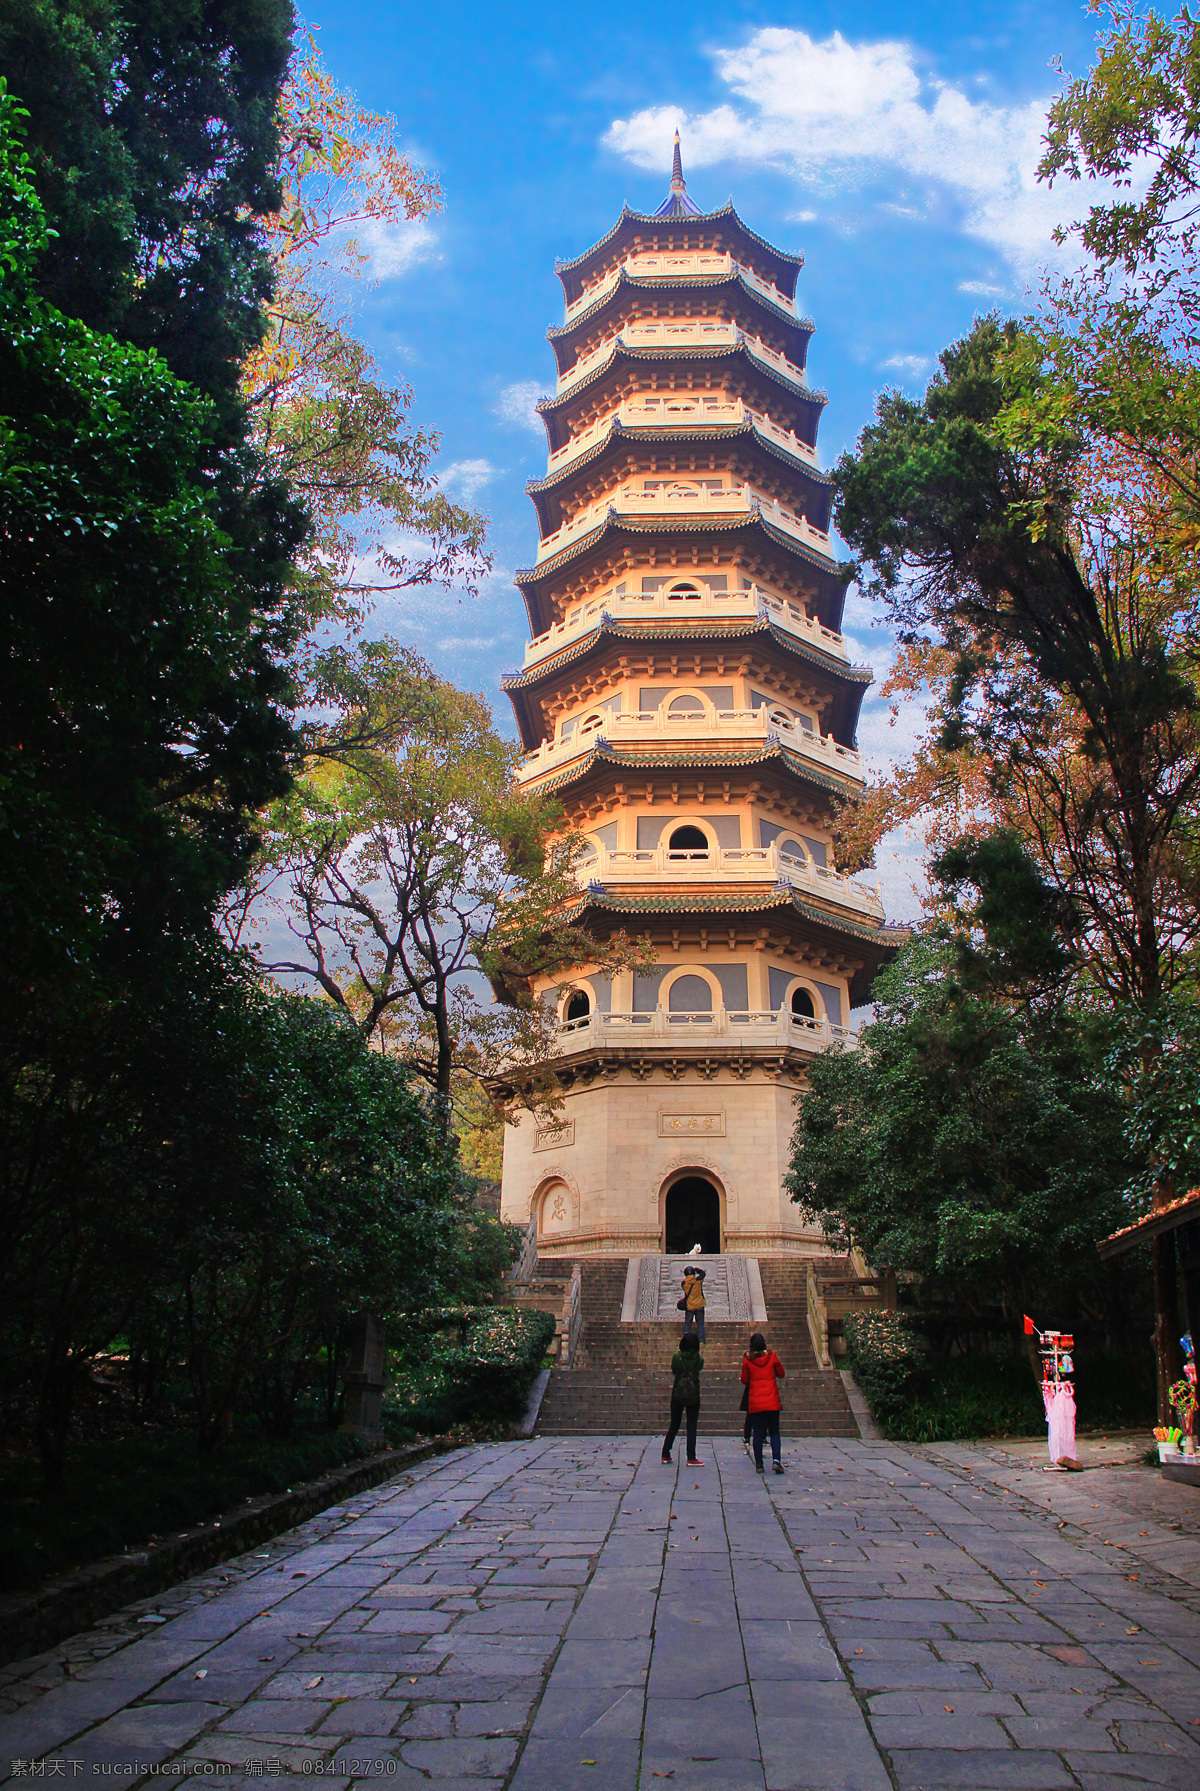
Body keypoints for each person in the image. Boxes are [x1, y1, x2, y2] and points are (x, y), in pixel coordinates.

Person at [741, 1331, 785, 1474]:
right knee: (774, 1432)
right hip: (772, 1400)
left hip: (756, 1402)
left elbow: (744, 1379)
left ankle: (759, 1464)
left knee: (758, 1433)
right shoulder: (772, 1357)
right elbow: (781, 1373)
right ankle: (776, 1461)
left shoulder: (748, 1360)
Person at [662, 1332, 704, 1466]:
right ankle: (691, 1457)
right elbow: (698, 1370)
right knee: (691, 1425)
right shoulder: (699, 1360)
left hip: (678, 1393)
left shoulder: (676, 1357)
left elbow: (674, 1370)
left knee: (674, 1424)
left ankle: (665, 1453)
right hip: (693, 1393)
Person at [680, 1264, 706, 1343]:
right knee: (700, 1323)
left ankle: (686, 1339)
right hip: (699, 1305)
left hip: (690, 1306)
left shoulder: (684, 1283)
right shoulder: (698, 1281)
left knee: (688, 1323)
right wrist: (697, 1270)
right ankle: (701, 1339)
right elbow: (703, 1274)